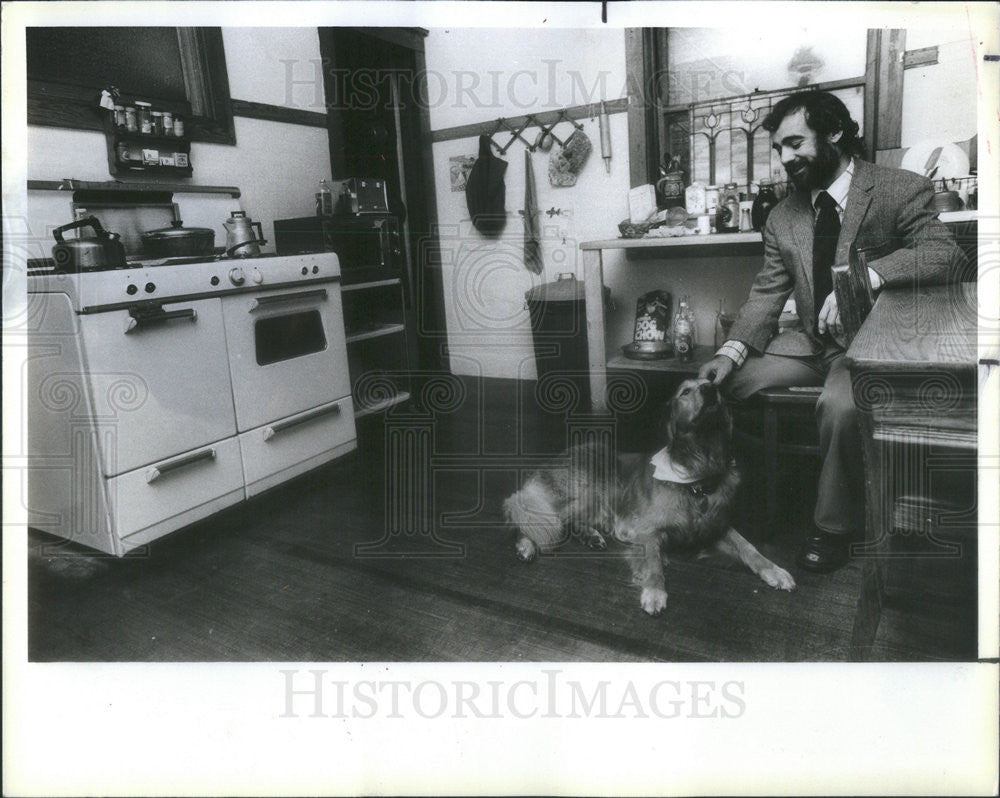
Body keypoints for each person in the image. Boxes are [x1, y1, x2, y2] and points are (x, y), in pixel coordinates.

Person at [699, 90, 965, 573]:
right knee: (721, 386)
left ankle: (832, 527)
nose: (785, 159)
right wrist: (732, 351)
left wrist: (867, 277)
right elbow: (767, 292)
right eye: (779, 148)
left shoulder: (899, 188)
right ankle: (749, 496)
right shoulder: (783, 216)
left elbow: (946, 255)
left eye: (795, 143)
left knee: (840, 407)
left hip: (870, 344)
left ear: (836, 133)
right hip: (809, 344)